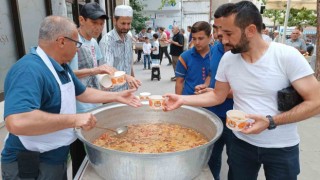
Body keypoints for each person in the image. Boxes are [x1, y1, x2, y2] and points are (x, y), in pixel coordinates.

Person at [163, 1, 320, 180]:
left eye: (229, 33)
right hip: (241, 144)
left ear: (251, 30)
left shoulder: (286, 56)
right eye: (221, 34)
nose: (224, 40)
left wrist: (271, 121)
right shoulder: (228, 59)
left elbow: (316, 102)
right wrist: (182, 100)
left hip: (281, 147)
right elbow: (217, 95)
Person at [1, 15, 141, 180]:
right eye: (76, 43)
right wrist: (74, 119)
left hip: (55, 156)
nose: (77, 49)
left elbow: (83, 92)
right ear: (61, 41)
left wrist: (117, 96)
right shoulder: (28, 70)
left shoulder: (62, 66)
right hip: (30, 161)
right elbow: (17, 122)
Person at [68, 2, 117, 177]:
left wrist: (119, 78)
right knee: (80, 158)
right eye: (94, 23)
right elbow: (67, 74)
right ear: (81, 19)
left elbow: (100, 68)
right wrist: (95, 70)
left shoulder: (93, 43)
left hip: (94, 106)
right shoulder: (72, 41)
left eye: (101, 24)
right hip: (77, 108)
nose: (99, 28)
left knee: (96, 154)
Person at [99, 5, 141, 92]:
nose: (126, 27)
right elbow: (108, 69)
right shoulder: (107, 41)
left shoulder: (128, 38)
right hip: (112, 93)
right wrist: (127, 77)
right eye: (123, 23)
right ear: (114, 20)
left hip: (127, 90)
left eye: (128, 23)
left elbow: (129, 63)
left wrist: (132, 79)